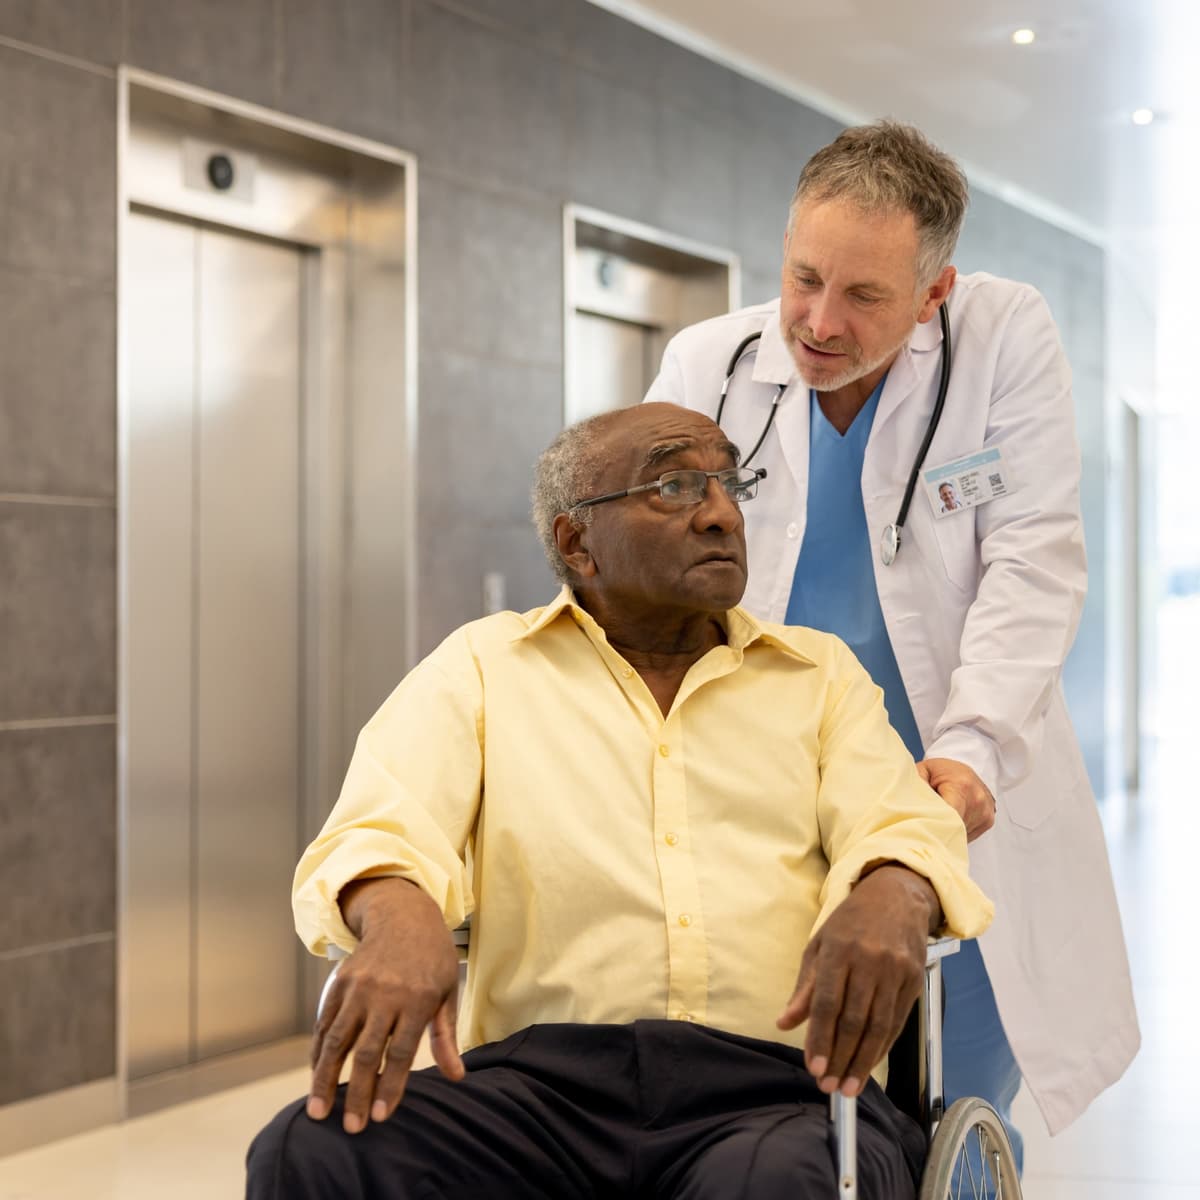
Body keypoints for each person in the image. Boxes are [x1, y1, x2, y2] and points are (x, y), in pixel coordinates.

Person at [246, 403, 993, 1199]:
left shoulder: (817, 676)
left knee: (770, 1183)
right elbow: (380, 826)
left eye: (729, 482)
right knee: (308, 1148)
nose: (721, 513)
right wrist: (398, 918)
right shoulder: (484, 668)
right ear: (578, 543)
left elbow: (898, 819)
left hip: (781, 1093)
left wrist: (895, 888)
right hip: (543, 1093)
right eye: (674, 486)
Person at [643, 120, 1139, 1158]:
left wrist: (973, 748)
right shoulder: (710, 363)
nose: (819, 323)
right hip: (764, 799)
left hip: (951, 786)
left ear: (933, 292)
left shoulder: (1001, 340)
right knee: (786, 1105)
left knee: (955, 1099)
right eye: (803, 278)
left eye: (864, 295)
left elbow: (1033, 561)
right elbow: (643, 573)